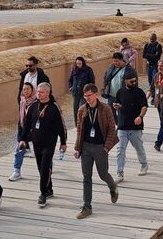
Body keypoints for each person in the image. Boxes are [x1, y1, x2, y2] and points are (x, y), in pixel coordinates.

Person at [74, 84, 119, 219]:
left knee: (103, 174)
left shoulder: (105, 109)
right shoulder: (82, 110)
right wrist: (77, 148)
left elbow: (112, 129)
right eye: (85, 96)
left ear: (96, 94)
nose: (87, 98)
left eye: (89, 95)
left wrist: (106, 147)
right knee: (86, 177)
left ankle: (112, 186)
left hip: (100, 147)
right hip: (86, 147)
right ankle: (87, 206)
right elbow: (79, 130)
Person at [19, 82, 68, 208]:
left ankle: (43, 194)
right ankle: (49, 188)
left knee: (45, 166)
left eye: (41, 92)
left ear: (48, 93)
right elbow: (26, 124)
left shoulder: (54, 107)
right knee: (40, 167)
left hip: (49, 143)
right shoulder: (33, 106)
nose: (38, 94)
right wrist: (23, 139)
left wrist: (63, 142)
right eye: (37, 92)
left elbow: (61, 126)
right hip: (36, 142)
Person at [112, 66, 149, 183]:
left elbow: (144, 107)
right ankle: (120, 173)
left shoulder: (139, 92)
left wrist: (140, 117)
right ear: (125, 81)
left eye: (135, 81)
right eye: (131, 81)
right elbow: (117, 103)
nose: (134, 83)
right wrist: (116, 106)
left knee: (139, 148)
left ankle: (144, 164)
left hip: (135, 127)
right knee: (120, 150)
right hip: (122, 126)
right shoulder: (120, 92)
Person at [9, 82, 37, 181]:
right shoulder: (22, 102)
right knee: (19, 151)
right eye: (24, 89)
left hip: (35, 132)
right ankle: (16, 171)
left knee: (41, 152)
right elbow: (20, 119)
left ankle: (49, 164)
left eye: (28, 89)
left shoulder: (37, 103)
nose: (26, 91)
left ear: (32, 90)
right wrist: (20, 135)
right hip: (23, 131)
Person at [68, 57, 95, 127]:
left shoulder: (88, 70)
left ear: (83, 63)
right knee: (76, 109)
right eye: (77, 63)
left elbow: (92, 82)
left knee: (83, 109)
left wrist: (89, 91)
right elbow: (70, 80)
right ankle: (77, 125)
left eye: (80, 63)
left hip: (84, 94)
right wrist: (71, 87)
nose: (78, 65)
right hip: (75, 93)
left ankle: (84, 124)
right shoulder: (74, 70)